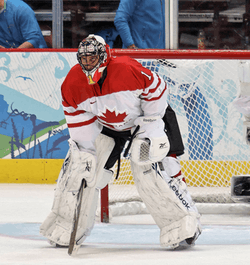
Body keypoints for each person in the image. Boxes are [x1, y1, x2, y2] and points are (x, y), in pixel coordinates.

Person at [40, 34, 201, 250]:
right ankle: (66, 225)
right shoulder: (72, 82)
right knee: (80, 167)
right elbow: (78, 121)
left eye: (92, 58)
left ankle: (184, 223)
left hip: (146, 118)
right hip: (108, 126)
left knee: (150, 168)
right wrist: (86, 154)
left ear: (104, 56)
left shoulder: (126, 68)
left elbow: (158, 88)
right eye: (84, 59)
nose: (88, 64)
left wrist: (150, 126)